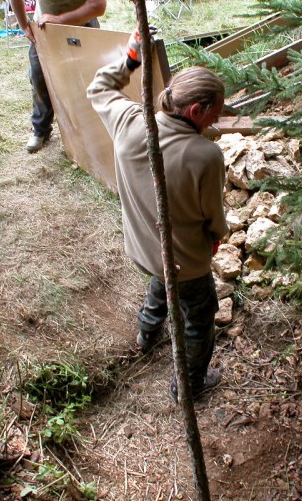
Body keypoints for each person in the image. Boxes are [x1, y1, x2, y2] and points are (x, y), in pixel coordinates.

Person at [87, 31, 228, 402]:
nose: (220, 116)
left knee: (162, 279)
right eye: (217, 109)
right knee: (199, 319)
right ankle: (189, 386)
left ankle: (146, 333)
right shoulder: (205, 155)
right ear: (196, 111)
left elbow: (99, 88)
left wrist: (131, 59)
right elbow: (214, 221)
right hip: (187, 264)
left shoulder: (129, 123)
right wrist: (217, 236)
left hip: (144, 250)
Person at [8, 0, 107, 153]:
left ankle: (98, 126)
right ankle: (41, 130)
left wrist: (61, 19)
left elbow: (98, 6)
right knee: (39, 76)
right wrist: (25, 26)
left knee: (95, 75)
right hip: (45, 28)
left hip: (83, 24)